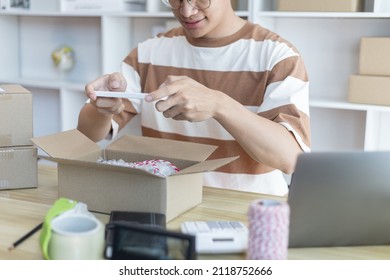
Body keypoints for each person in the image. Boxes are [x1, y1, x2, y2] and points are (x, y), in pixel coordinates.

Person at [77, 0, 311, 196]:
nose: (186, 11)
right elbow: (87, 135)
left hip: (248, 209)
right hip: (167, 201)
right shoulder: (148, 53)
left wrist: (219, 105)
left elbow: (291, 159)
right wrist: (101, 107)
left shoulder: (277, 56)